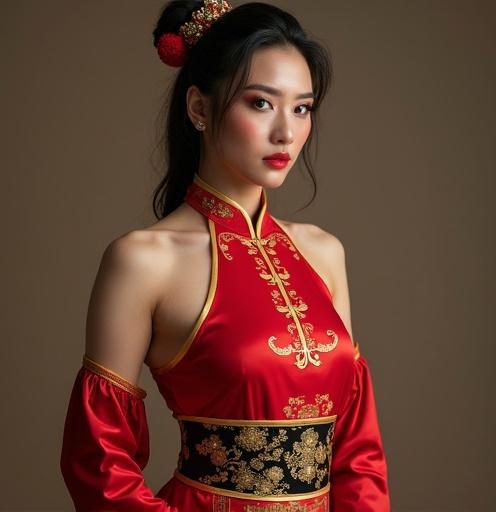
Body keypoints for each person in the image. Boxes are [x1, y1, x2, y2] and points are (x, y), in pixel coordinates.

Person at [60, 1, 391, 510]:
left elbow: (357, 448)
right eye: (261, 103)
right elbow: (97, 457)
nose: (286, 132)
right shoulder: (144, 260)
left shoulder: (324, 252)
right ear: (198, 108)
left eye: (301, 107)